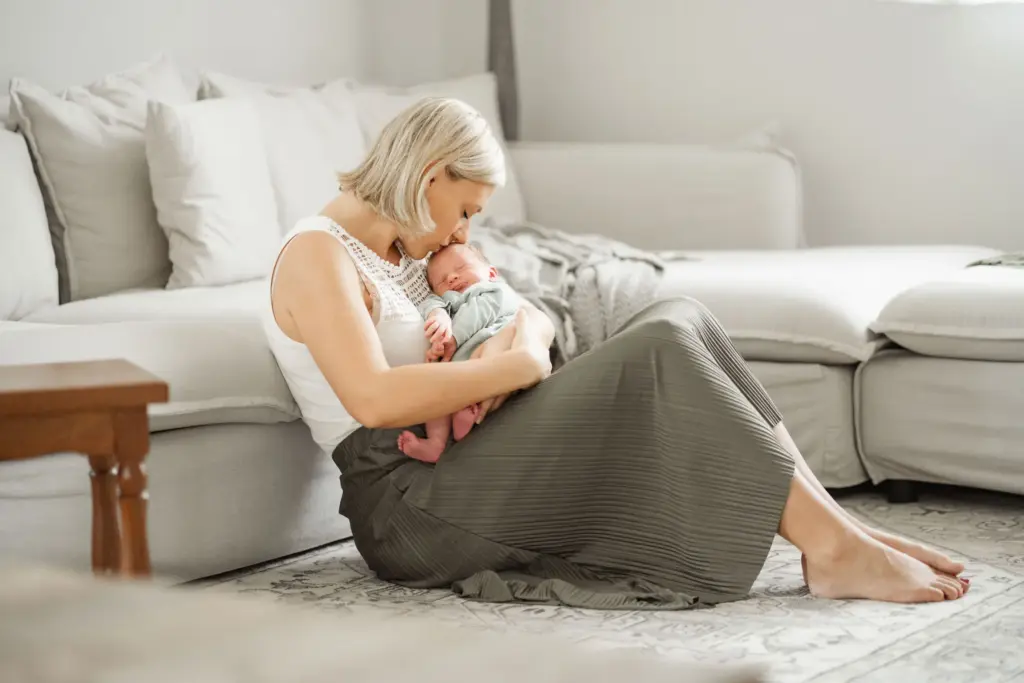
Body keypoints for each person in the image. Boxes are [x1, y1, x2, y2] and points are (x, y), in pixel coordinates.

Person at [262, 96, 969, 608]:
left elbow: (526, 309)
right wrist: (518, 364)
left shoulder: (411, 245)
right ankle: (837, 549)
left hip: (464, 452)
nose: (466, 229)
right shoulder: (318, 258)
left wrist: (528, 341)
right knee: (660, 344)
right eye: (468, 208)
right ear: (429, 178)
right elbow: (374, 397)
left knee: (682, 314)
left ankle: (838, 528)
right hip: (410, 501)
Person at [399, 243, 522, 463]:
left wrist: (452, 338)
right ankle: (437, 442)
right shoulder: (448, 302)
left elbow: (480, 312)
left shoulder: (494, 290)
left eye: (461, 267)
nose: (452, 278)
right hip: (459, 371)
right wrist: (438, 314)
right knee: (434, 391)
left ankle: (467, 415)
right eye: (441, 280)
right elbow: (430, 302)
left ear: (491, 273)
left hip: (492, 355)